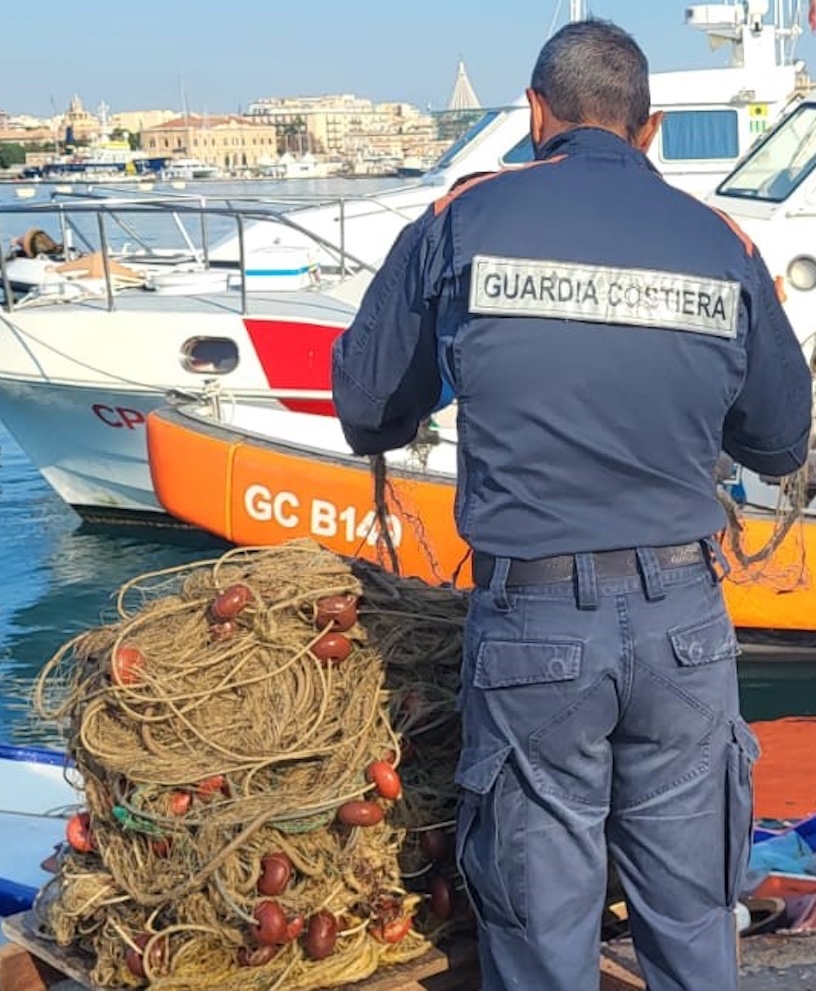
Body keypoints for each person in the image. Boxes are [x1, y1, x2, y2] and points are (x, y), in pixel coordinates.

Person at [331, 19, 812, 991]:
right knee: (688, 921)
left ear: (534, 114)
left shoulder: (462, 220)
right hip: (685, 625)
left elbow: (368, 405)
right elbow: (777, 438)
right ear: (649, 128)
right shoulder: (717, 240)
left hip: (534, 630)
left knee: (540, 933)